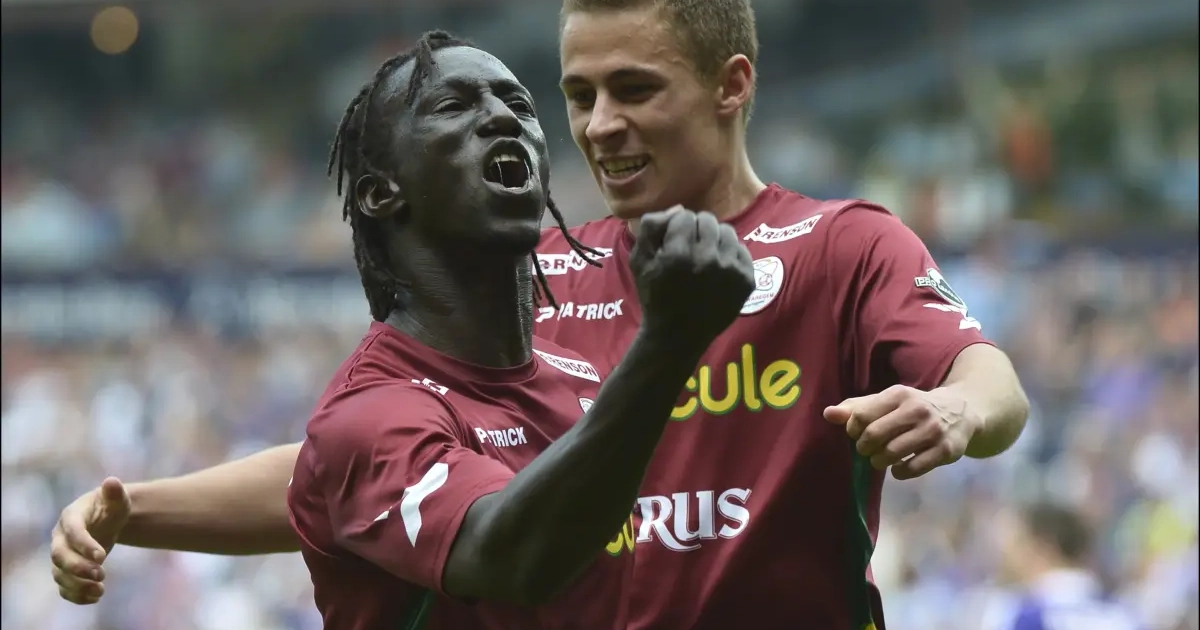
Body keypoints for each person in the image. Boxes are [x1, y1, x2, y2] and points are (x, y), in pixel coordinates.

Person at [52, 2, 1030, 628]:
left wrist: (953, 412)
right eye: (578, 94)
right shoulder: (538, 272)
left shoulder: (840, 245)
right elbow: (364, 473)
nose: (600, 125)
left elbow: (988, 381)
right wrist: (135, 508)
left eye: (634, 90)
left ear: (732, 86)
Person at [978, 503, 1142, 630]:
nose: (1006, 557)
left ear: (1041, 547)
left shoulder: (1017, 616)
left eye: (1015, 544)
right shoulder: (1124, 614)